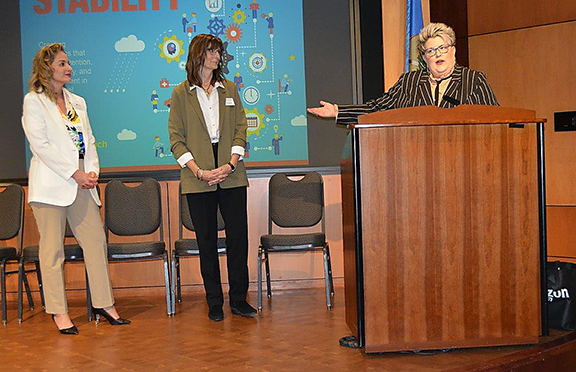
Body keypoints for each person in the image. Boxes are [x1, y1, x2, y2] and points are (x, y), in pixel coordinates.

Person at [22, 43, 130, 335]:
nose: (68, 67)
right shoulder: (34, 101)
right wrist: (74, 173)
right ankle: (59, 312)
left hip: (83, 184)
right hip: (51, 188)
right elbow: (40, 145)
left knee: (96, 243)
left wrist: (92, 170)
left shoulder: (78, 102)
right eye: (61, 63)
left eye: (68, 63)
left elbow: (90, 141)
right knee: (52, 251)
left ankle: (105, 304)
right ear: (46, 69)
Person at [168, 34, 256, 322]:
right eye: (212, 51)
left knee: (237, 239)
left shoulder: (229, 89)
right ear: (198, 55)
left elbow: (241, 129)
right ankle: (214, 302)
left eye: (219, 51)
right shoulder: (181, 93)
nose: (218, 56)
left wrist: (230, 164)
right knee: (206, 241)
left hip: (231, 173)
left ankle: (239, 300)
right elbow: (176, 140)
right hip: (198, 177)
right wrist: (199, 171)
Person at [307, 23, 499, 125]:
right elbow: (378, 109)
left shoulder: (474, 80)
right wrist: (338, 112)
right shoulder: (409, 82)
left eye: (442, 47)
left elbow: (497, 121)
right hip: (415, 164)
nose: (437, 54)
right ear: (424, 58)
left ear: (453, 50)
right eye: (431, 51)